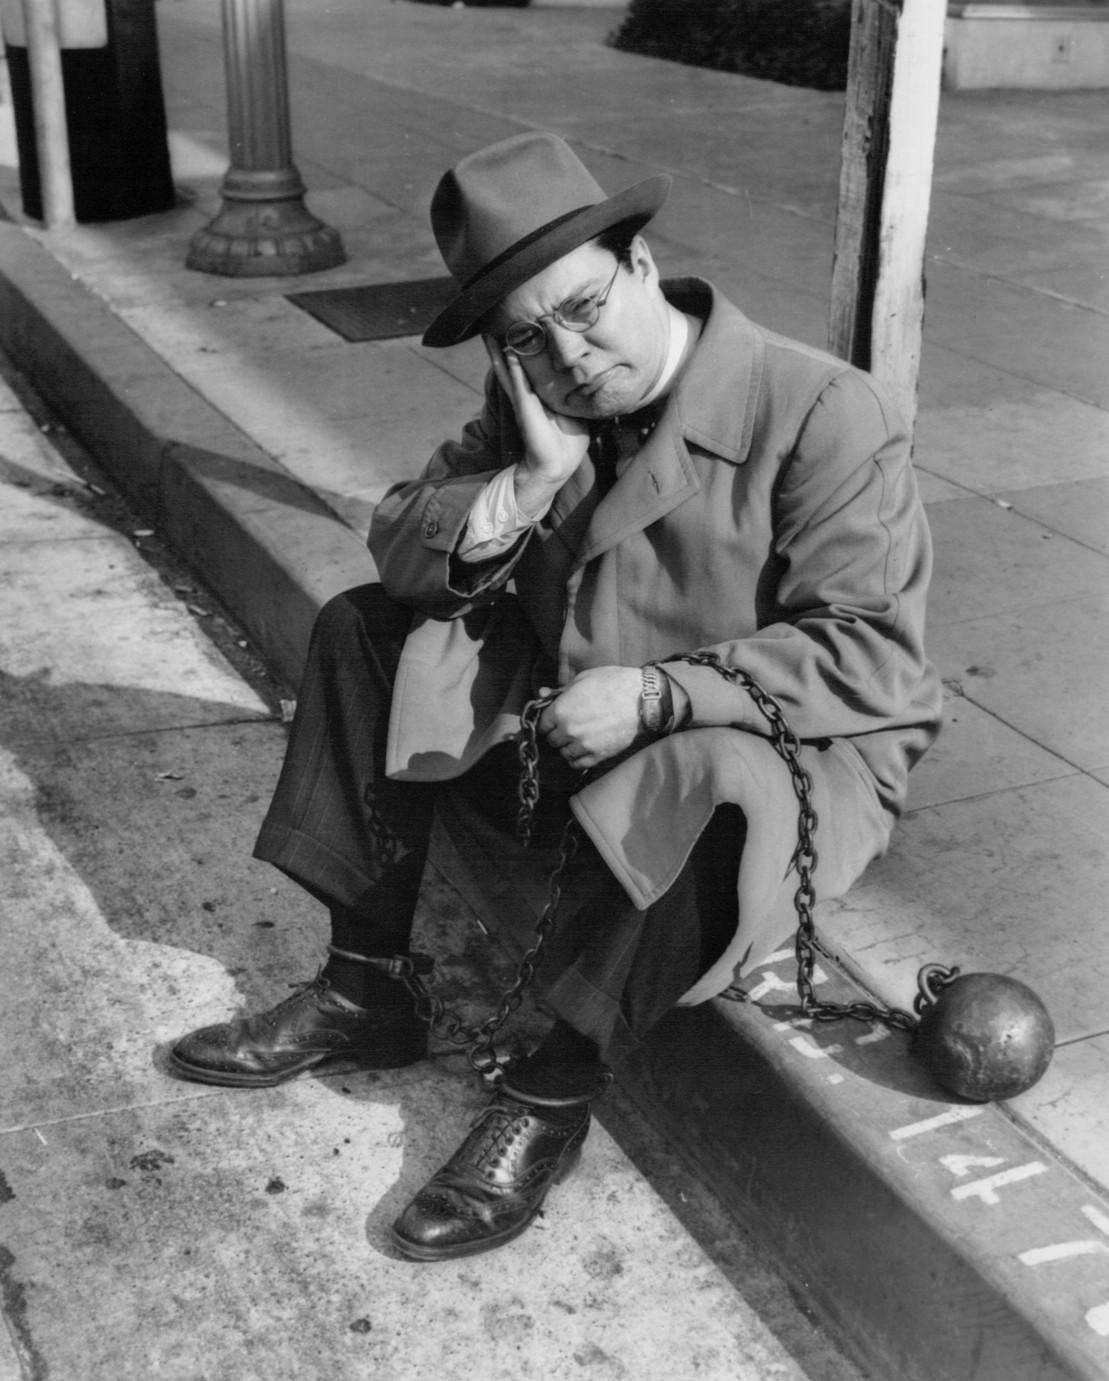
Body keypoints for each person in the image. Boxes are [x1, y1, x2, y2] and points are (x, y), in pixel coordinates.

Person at [169, 131, 942, 1262]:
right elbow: (401, 542)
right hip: (576, 725)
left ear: (640, 266)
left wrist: (662, 696)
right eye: (524, 337)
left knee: (702, 768)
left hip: (771, 751)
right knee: (364, 628)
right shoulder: (528, 400)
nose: (568, 355)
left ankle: (547, 1091)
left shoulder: (822, 408)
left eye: (583, 307)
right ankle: (365, 986)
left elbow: (874, 654)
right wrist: (527, 481)